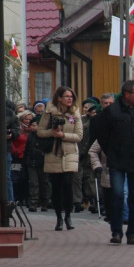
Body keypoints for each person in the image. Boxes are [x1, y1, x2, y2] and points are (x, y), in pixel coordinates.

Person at [93, 80, 134, 245]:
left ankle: (132, 233)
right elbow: (101, 134)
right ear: (127, 94)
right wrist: (112, 152)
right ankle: (116, 231)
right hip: (117, 161)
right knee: (117, 195)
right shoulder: (112, 112)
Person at [37, 86, 84, 231]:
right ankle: (58, 218)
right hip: (53, 153)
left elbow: (79, 136)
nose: (70, 99)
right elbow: (40, 132)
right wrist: (52, 133)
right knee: (56, 187)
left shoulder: (74, 113)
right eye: (67, 96)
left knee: (68, 184)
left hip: (69, 153)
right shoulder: (49, 112)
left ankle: (68, 216)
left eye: (71, 96)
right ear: (59, 98)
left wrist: (63, 135)